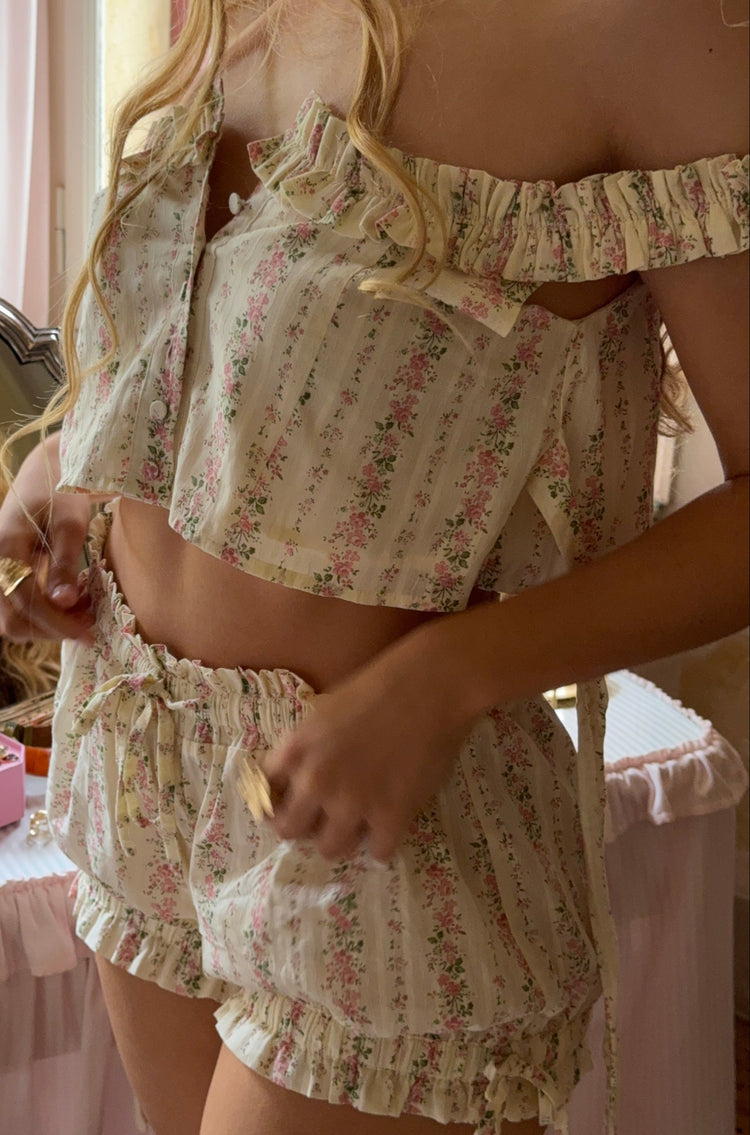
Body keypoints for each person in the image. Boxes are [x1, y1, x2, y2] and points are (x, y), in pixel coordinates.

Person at [0, 0, 747, 1132]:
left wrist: (447, 676)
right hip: (144, 763)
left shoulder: (641, 32)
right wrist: (62, 478)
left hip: (382, 840)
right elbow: (203, 358)